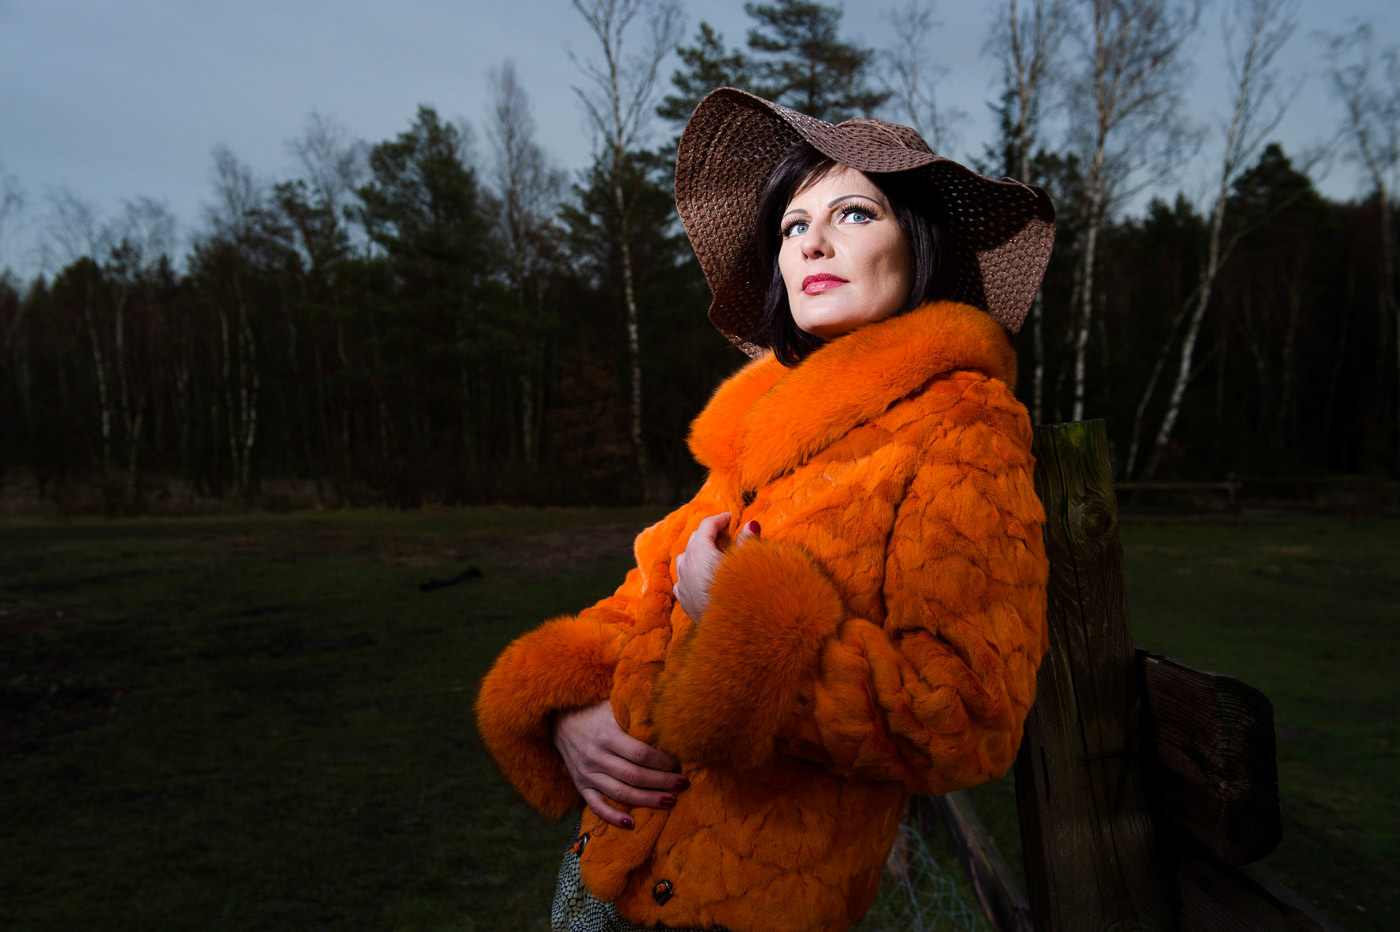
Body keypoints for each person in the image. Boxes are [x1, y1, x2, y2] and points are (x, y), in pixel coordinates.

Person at [476, 87, 1055, 932]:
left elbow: (968, 717)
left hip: (748, 905)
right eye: (792, 225)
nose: (812, 241)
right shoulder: (758, 425)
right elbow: (648, 594)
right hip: (607, 868)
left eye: (854, 213)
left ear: (920, 242)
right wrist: (563, 706)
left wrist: (740, 622)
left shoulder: (962, 426)